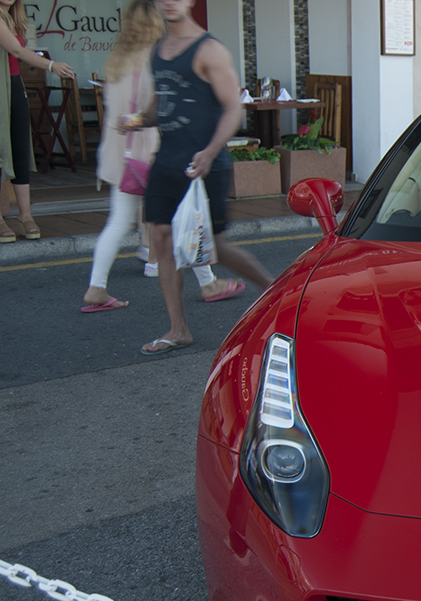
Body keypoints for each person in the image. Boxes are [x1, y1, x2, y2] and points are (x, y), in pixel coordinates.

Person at [129, 0, 273, 355]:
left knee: (216, 248)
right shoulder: (158, 50)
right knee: (161, 241)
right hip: (166, 161)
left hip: (204, 165)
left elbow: (232, 108)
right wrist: (135, 120)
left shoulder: (209, 49)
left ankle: (274, 292)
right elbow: (160, 105)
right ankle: (179, 329)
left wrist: (210, 151)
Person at [84, 0, 236, 313]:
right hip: (154, 151)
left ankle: (97, 286)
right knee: (189, 218)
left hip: (120, 153)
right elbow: (165, 109)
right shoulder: (157, 58)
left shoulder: (116, 61)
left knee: (120, 221)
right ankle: (205, 281)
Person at [0, 0, 76, 244]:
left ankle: (26, 216)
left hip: (13, 86)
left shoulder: (13, 17)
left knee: (21, 150)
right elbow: (15, 50)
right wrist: (51, 65)